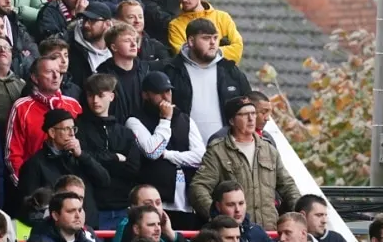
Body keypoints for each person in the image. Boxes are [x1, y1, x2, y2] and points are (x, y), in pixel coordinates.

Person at [190, 98, 298, 231]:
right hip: (236, 233)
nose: (251, 118)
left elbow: (288, 186)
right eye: (244, 114)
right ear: (231, 120)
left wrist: (299, 216)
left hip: (269, 231)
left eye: (253, 113)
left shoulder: (268, 149)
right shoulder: (218, 151)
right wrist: (217, 217)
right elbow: (198, 187)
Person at [124, 73, 203, 230]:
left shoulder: (184, 119)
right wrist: (165, 120)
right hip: (157, 203)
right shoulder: (135, 120)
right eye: (159, 92)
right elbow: (153, 151)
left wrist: (168, 155)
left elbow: (200, 156)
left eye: (168, 91)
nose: (166, 96)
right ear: (145, 95)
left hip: (186, 203)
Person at [18, 109, 112, 229]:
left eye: (73, 129)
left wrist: (82, 156)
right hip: (55, 231)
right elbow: (29, 206)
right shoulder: (35, 164)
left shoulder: (80, 156)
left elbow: (104, 180)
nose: (72, 133)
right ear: (52, 132)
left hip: (88, 228)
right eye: (66, 129)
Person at [163, 20, 250, 142]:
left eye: (215, 38)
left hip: (226, 150)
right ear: (191, 41)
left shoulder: (230, 71)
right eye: (206, 38)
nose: (213, 43)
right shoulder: (172, 70)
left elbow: (248, 107)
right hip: (183, 150)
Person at [76, 74, 142, 227]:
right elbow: (82, 159)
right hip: (93, 206)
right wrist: (115, 158)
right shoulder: (79, 128)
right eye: (91, 95)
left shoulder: (124, 132)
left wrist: (98, 160)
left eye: (100, 95)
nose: (95, 100)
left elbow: (133, 167)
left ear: (111, 96)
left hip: (122, 205)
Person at [5, 57, 82, 184]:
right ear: (35, 78)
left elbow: (84, 148)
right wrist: (25, 186)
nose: (56, 76)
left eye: (58, 71)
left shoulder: (73, 105)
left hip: (73, 183)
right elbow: (13, 154)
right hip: (36, 184)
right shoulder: (21, 107)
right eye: (49, 72)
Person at [165, 0, 242, 64]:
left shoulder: (223, 18)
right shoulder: (175, 25)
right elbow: (185, 57)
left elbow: (237, 50)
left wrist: (200, 52)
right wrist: (219, 49)